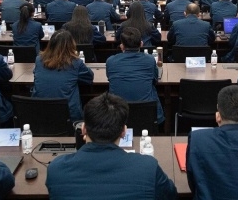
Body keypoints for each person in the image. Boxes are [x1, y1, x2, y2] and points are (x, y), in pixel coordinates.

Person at [46, 92, 177, 200]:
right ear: (124, 131)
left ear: (83, 129)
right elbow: (171, 195)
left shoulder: (56, 169)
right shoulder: (148, 168)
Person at [32, 30, 94, 121]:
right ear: (71, 46)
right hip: (68, 116)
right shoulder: (76, 63)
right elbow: (89, 77)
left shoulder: (39, 60)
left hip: (40, 113)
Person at [106, 27, 164, 124]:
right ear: (141, 44)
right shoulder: (150, 60)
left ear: (122, 46)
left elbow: (109, 78)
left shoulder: (111, 61)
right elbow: (155, 80)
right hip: (146, 113)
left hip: (118, 114)